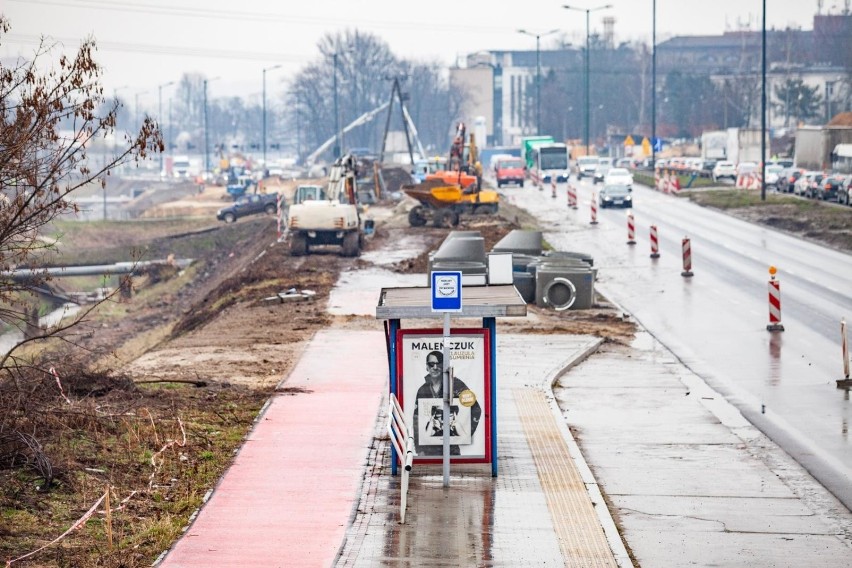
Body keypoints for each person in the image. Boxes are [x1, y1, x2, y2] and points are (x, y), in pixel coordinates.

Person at [412, 350, 481, 456]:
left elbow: (475, 408)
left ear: (444, 366)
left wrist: (464, 435)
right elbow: (417, 419)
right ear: (427, 367)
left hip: (451, 449)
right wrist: (419, 449)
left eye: (438, 363)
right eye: (431, 364)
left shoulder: (456, 385)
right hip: (428, 450)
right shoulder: (422, 390)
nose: (435, 367)